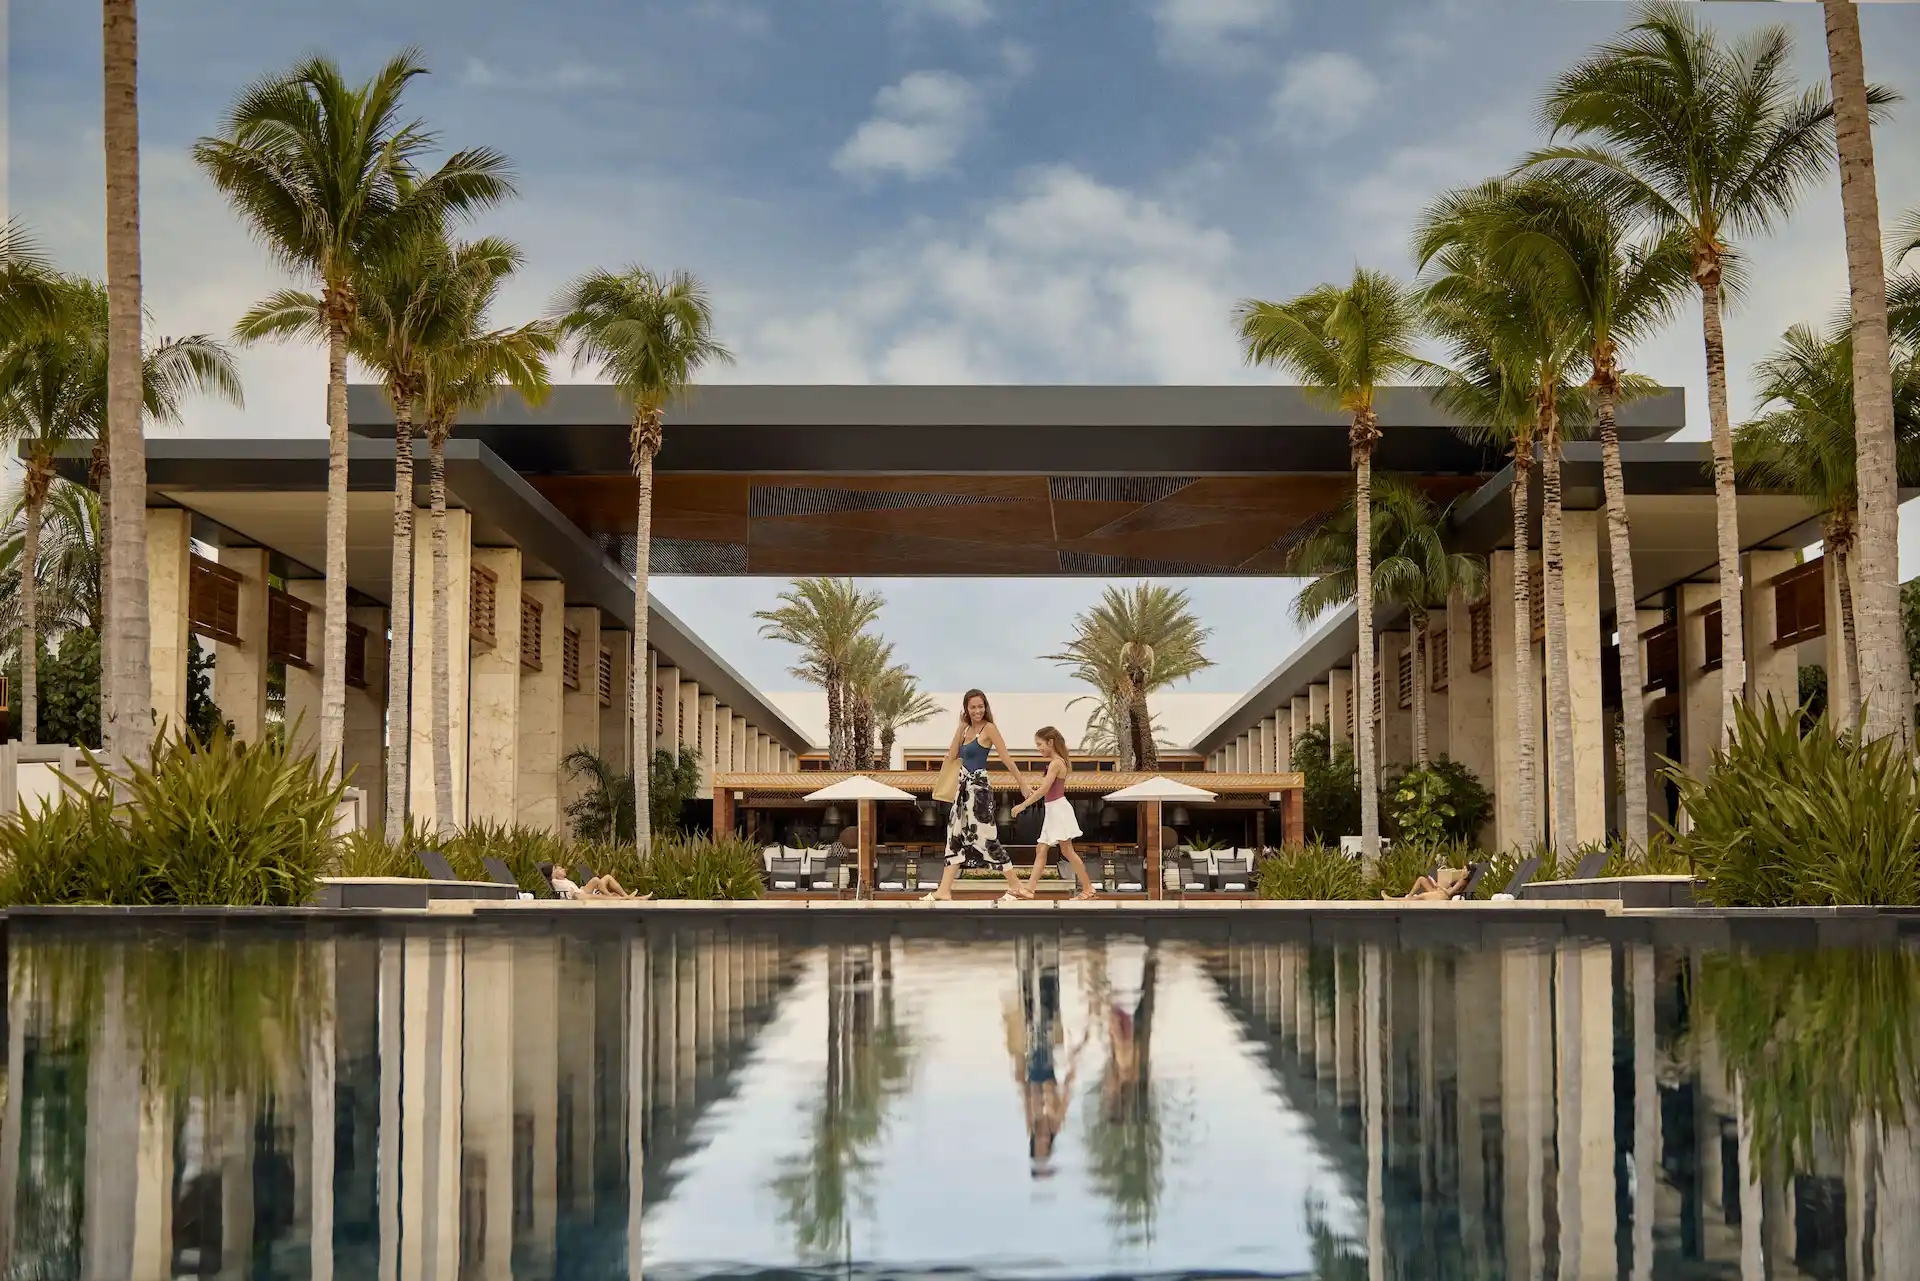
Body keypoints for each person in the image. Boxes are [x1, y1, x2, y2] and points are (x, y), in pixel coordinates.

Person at [922, 690, 1036, 902]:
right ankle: (944, 890)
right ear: (966, 709)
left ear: (986, 707)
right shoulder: (965, 729)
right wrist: (959, 727)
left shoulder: (989, 728)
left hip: (979, 790)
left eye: (980, 706)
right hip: (962, 791)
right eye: (973, 707)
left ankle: (1016, 885)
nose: (977, 710)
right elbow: (953, 754)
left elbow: (1006, 758)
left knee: (986, 836)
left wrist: (1022, 783)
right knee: (954, 837)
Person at [1010, 726, 1098, 900]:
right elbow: (1044, 791)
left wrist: (1022, 806)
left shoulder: (1056, 763)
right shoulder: (1057, 763)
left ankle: (1088, 888)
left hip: (1058, 809)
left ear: (1050, 742)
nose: (1038, 748)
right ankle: (1029, 890)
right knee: (1042, 849)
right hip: (1054, 809)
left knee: (1065, 851)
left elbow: (1043, 790)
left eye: (1039, 744)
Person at [540, 862, 650, 900]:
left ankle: (626, 896)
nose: (563, 869)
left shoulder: (565, 880)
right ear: (554, 873)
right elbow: (552, 876)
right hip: (578, 896)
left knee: (607, 877)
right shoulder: (554, 881)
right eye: (560, 869)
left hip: (582, 891)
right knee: (597, 880)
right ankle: (633, 898)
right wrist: (554, 871)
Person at [1383, 864, 1470, 902]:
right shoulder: (1460, 878)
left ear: (1468, 873)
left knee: (1420, 897)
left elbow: (1450, 893)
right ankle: (1409, 896)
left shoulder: (1462, 881)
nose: (1463, 870)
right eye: (1463, 868)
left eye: (1465, 869)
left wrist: (1439, 886)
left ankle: (1391, 899)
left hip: (1442, 896)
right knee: (1421, 879)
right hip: (1439, 892)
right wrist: (1439, 885)